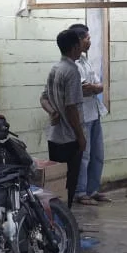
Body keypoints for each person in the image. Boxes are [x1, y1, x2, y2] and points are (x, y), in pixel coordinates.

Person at [44, 29, 88, 206]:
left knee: (56, 183)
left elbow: (44, 97)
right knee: (69, 183)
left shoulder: (55, 68)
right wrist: (81, 136)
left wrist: (52, 112)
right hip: (69, 138)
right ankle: (65, 220)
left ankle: (56, 219)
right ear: (75, 46)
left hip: (54, 136)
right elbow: (71, 107)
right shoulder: (72, 71)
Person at [68, 23, 110, 205]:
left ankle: (93, 189)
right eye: (87, 38)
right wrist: (96, 87)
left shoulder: (85, 60)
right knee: (84, 155)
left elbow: (98, 86)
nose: (89, 41)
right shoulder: (73, 65)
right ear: (78, 40)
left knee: (97, 154)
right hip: (82, 115)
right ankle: (80, 191)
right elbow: (86, 89)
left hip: (94, 113)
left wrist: (96, 87)